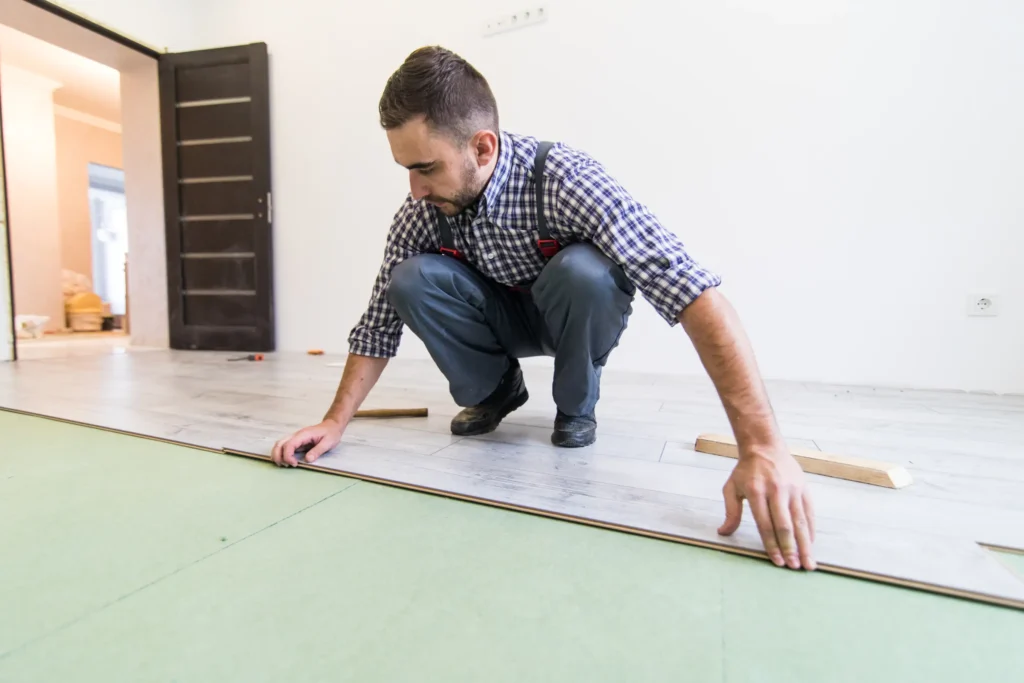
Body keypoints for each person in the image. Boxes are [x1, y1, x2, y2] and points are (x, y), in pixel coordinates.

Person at [273, 46, 816, 570]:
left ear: (483, 148)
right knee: (409, 279)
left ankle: (576, 404)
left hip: (569, 315)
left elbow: (691, 289)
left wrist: (763, 447)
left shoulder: (566, 179)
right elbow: (378, 323)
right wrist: (334, 421)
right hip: (500, 322)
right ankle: (495, 391)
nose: (414, 190)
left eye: (426, 168)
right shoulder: (421, 209)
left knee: (586, 271)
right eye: (405, 170)